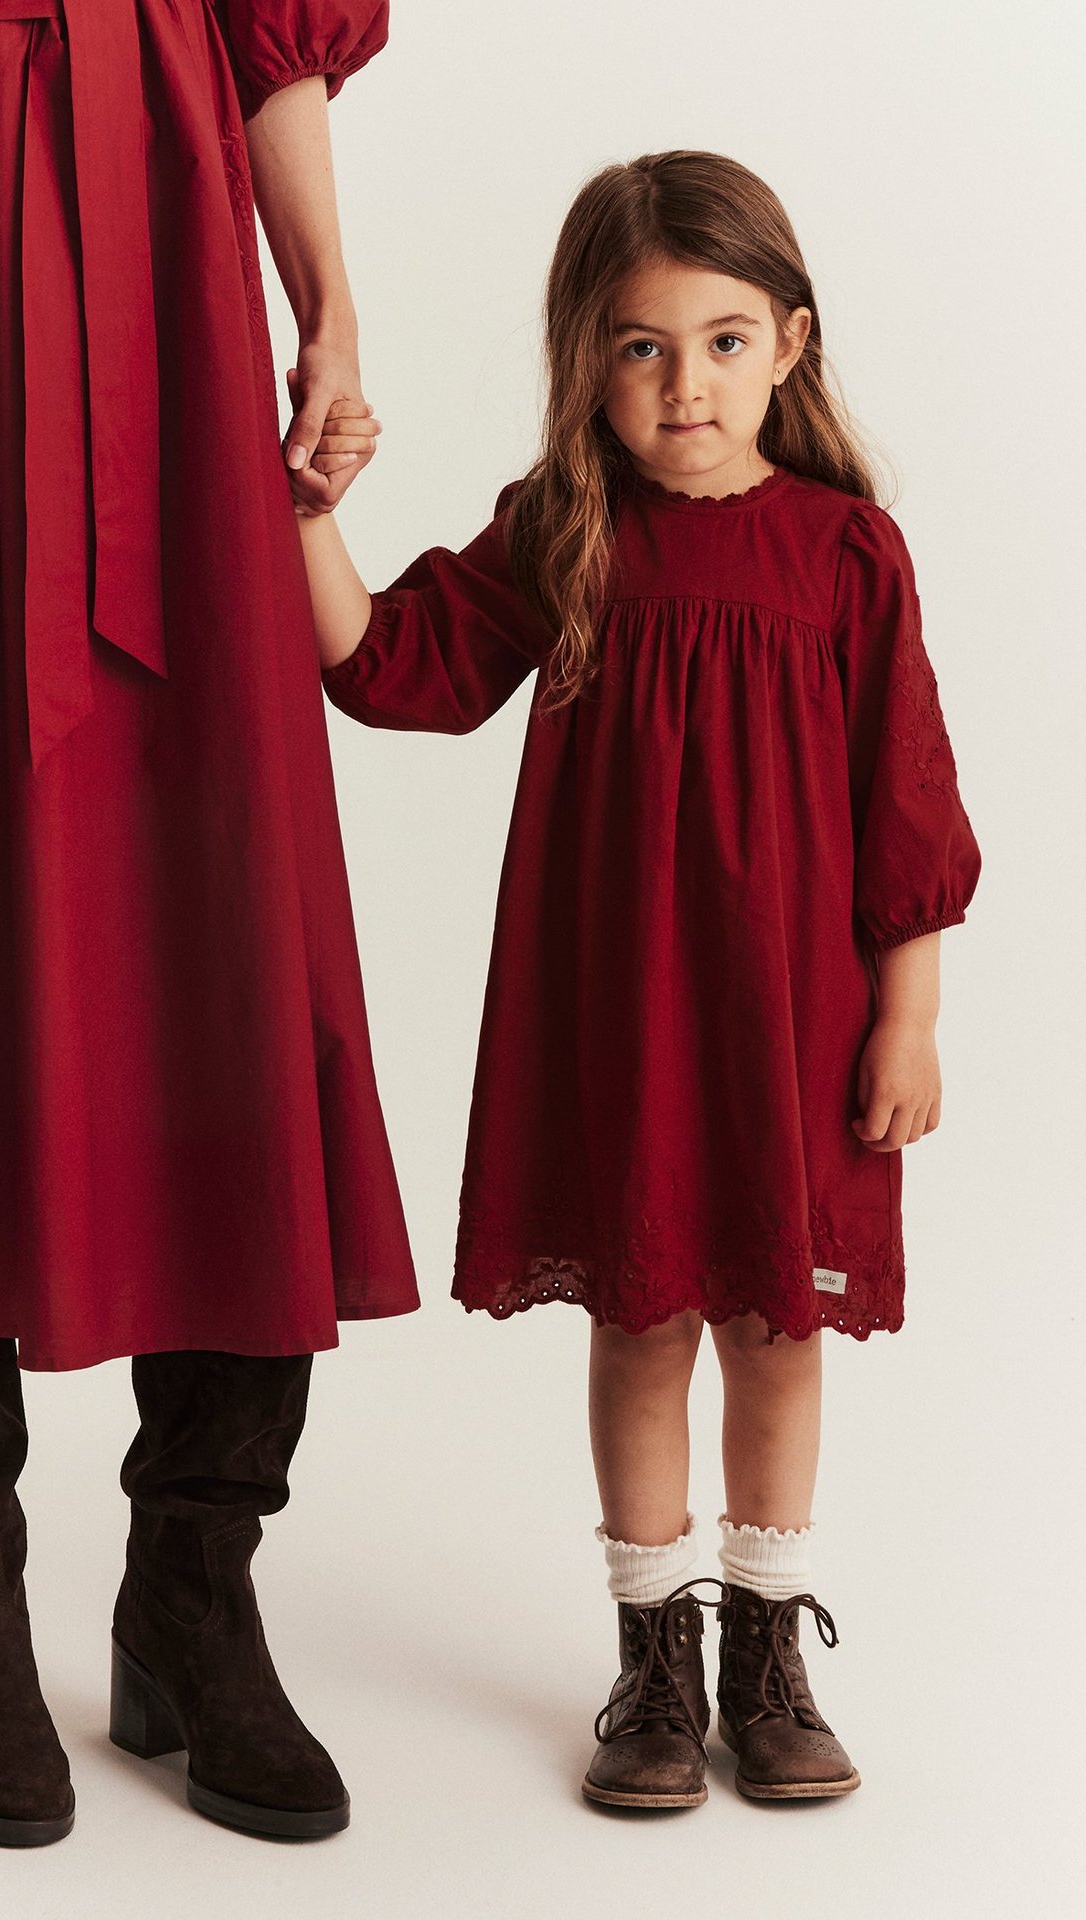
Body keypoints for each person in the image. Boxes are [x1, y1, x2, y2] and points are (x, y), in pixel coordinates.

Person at [298, 149, 982, 1810]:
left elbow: (908, 804)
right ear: (587, 360)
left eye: (724, 342)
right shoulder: (566, 531)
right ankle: (652, 1661)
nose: (686, 385)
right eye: (642, 348)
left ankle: (767, 1652)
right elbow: (388, 666)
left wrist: (909, 1016)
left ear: (790, 343)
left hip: (793, 1025)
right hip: (624, 1018)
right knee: (640, 1321)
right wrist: (306, 515)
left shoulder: (848, 552)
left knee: (778, 1331)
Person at [0, 0, 417, 1847]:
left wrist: (328, 307)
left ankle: (194, 1596)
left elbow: (270, 32)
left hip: (158, 245)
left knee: (215, 926)